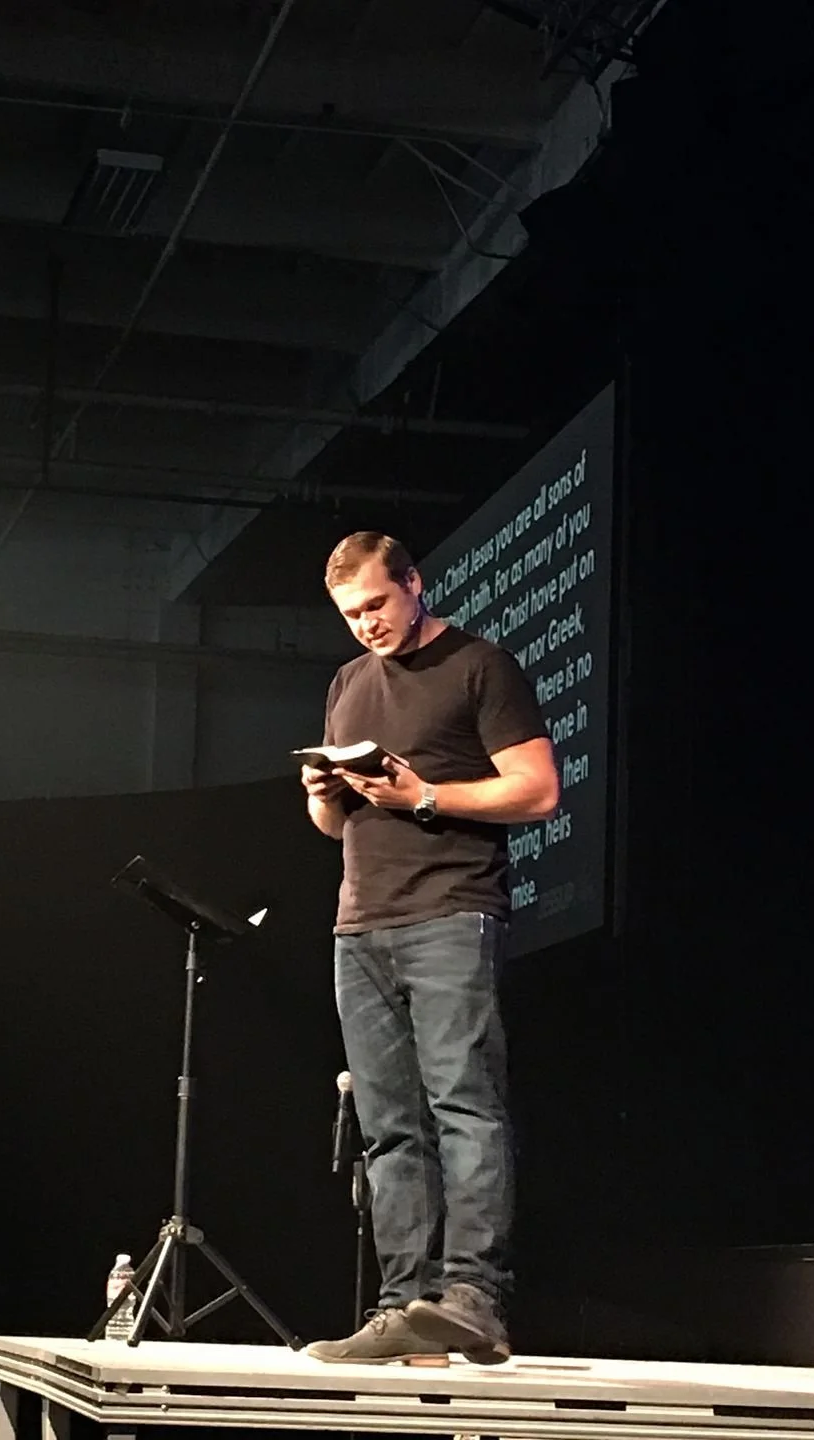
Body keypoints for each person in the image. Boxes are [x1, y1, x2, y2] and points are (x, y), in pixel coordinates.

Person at [302, 532, 559, 1366]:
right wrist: (323, 795)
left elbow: (538, 791)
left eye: (376, 604)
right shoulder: (348, 683)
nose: (366, 624)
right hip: (360, 924)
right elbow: (334, 825)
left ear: (414, 583)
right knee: (388, 1129)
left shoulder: (480, 666)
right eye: (351, 614)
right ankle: (402, 1306)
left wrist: (423, 796)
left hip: (450, 911)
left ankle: (473, 1299)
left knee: (464, 1108)